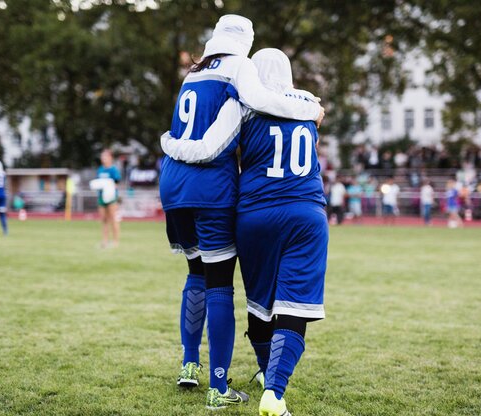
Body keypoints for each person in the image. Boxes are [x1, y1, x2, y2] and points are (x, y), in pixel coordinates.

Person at [158, 15, 323, 410]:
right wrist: (310, 108)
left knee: (197, 273)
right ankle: (229, 386)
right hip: (232, 193)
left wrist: (168, 144)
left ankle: (189, 363)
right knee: (222, 286)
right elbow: (266, 102)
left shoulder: (194, 74)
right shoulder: (251, 75)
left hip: (178, 185)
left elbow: (201, 134)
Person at [95, 149, 121, 248]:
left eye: (105, 156)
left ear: (110, 158)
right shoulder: (100, 169)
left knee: (113, 218)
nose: (103, 158)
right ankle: (104, 241)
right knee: (104, 220)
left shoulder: (113, 170)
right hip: (101, 197)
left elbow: (117, 182)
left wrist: (109, 185)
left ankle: (115, 242)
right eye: (102, 156)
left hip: (111, 197)